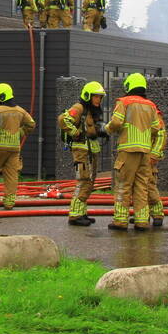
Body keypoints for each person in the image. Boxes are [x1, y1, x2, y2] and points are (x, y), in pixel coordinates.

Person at [103, 73, 164, 231]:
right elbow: (157, 128)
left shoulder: (124, 102)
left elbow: (116, 122)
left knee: (123, 184)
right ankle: (142, 221)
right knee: (141, 186)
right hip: (145, 152)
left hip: (128, 150)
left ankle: (120, 220)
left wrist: (106, 129)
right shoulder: (151, 105)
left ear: (129, 86)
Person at [0, 83, 36, 210]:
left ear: (2, 96)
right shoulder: (20, 110)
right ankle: (9, 202)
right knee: (11, 175)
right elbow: (31, 124)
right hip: (14, 149)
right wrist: (20, 133)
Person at [60, 80, 106, 225]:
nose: (98, 99)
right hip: (81, 151)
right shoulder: (79, 107)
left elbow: (91, 129)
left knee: (89, 182)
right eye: (96, 96)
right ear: (88, 96)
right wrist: (75, 133)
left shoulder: (92, 111)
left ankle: (81, 213)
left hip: (91, 151)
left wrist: (101, 132)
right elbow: (63, 119)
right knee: (83, 181)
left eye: (100, 97)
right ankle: (75, 215)